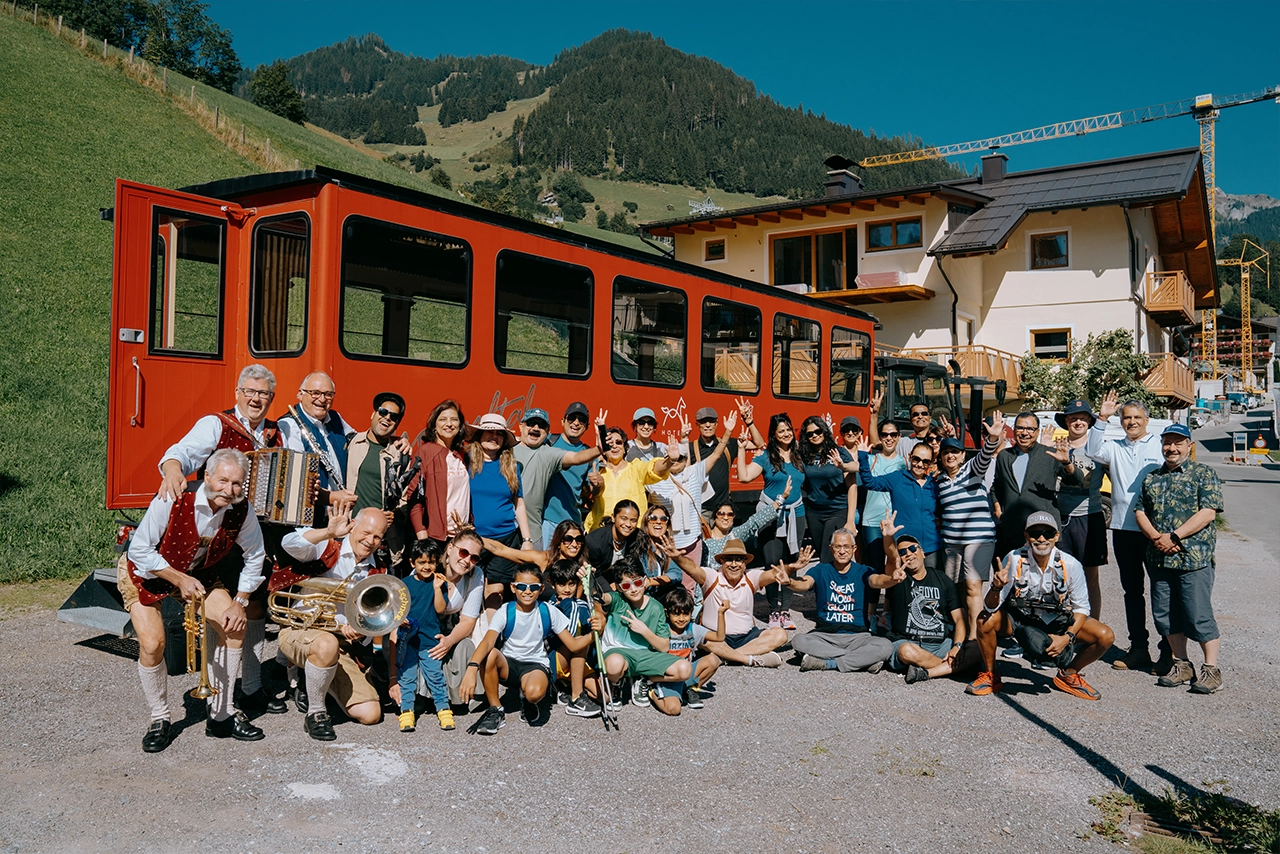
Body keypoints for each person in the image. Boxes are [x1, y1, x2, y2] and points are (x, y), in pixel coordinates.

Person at [154, 364, 285, 716]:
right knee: (223, 612)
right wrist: (172, 468)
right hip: (222, 532)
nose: (256, 399)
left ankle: (251, 687)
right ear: (238, 393)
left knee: (254, 607)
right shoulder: (217, 424)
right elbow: (182, 452)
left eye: (263, 394)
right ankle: (216, 694)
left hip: (260, 531)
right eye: (250, 392)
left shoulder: (276, 432)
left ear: (271, 398)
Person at [121, 449, 266, 752]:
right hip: (146, 571)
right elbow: (139, 550)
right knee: (153, 644)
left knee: (233, 625)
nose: (229, 490)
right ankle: (159, 718)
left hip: (196, 572)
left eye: (236, 483)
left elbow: (255, 555)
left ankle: (221, 715)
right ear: (207, 477)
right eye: (223, 480)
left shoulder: (241, 509)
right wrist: (178, 578)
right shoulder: (174, 498)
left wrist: (240, 601)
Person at [965, 512, 1115, 700]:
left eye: (1048, 533)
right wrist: (996, 587)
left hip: (1057, 622)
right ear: (1026, 536)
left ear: (1057, 537)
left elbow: (1081, 608)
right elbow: (990, 607)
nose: (1042, 539)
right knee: (984, 620)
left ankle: (1069, 674)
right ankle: (991, 674)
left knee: (1105, 635)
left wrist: (1067, 638)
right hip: (1019, 620)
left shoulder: (1071, 564)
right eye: (1035, 533)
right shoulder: (1014, 559)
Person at [278, 507, 392, 740]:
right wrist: (327, 532)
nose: (370, 541)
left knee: (371, 713)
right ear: (353, 526)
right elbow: (288, 543)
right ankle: (316, 712)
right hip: (301, 630)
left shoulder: (378, 568)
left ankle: (318, 678)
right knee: (326, 644)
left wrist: (361, 631)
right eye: (366, 532)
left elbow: (375, 619)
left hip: (342, 644)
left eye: (377, 537)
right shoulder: (328, 546)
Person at [1135, 424, 1224, 694]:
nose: (1171, 448)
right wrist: (1157, 538)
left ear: (1189, 446)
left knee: (1198, 615)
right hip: (1160, 558)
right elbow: (1140, 511)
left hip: (1192, 558)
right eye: (1167, 442)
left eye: (1178, 443)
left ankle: (1211, 670)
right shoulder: (1152, 478)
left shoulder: (1204, 473)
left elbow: (1208, 512)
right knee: (1165, 616)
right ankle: (1182, 665)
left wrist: (1174, 536)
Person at [1086, 393, 1169, 674]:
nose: (1132, 422)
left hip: (1154, 531)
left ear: (1147, 420)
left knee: (1161, 591)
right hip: (1123, 528)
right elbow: (1092, 450)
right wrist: (1102, 417)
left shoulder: (1158, 446)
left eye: (1137, 417)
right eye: (1126, 418)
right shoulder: (1114, 447)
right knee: (1132, 592)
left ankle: (1168, 651)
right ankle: (1138, 648)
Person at [461, 567, 596, 735]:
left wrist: (595, 634)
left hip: (535, 664)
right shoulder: (505, 611)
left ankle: (527, 699)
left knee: (534, 694)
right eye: (521, 586)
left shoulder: (548, 610)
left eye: (533, 587)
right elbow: (488, 641)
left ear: (541, 589)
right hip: (508, 664)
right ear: (513, 587)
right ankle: (495, 709)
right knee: (490, 654)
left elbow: (573, 645)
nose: (527, 591)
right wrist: (471, 669)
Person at [870, 517, 978, 685]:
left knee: (978, 648)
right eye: (902, 552)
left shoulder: (942, 579)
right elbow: (891, 558)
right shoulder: (898, 579)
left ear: (922, 552)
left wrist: (957, 646)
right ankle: (954, 668)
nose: (908, 554)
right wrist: (888, 537)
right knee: (906, 651)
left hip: (941, 644)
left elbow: (959, 618)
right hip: (909, 641)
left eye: (913, 548)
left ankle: (928, 672)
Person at [783, 529, 892, 673]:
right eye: (838, 546)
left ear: (854, 549)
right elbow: (804, 584)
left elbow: (877, 581)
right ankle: (862, 661)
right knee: (799, 641)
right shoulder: (821, 570)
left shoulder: (863, 571)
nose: (842, 551)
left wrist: (892, 579)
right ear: (831, 548)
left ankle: (828, 663)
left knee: (885, 646)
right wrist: (789, 581)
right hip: (825, 636)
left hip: (858, 637)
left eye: (846, 546)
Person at [936, 413, 1005, 637]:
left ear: (963, 455)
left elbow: (985, 455)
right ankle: (962, 631)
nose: (950, 455)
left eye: (955, 452)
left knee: (973, 587)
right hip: (952, 542)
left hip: (979, 539)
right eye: (946, 452)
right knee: (955, 588)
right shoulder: (939, 480)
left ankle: (976, 638)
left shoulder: (972, 470)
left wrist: (992, 439)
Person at [592, 559, 693, 710]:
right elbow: (602, 597)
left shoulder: (657, 607)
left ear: (645, 580)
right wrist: (590, 580)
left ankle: (644, 680)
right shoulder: (618, 600)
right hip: (618, 653)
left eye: (637, 582)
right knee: (614, 664)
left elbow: (664, 647)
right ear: (619, 588)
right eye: (626, 586)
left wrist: (644, 631)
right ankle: (616, 684)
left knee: (685, 669)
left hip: (646, 656)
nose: (633, 589)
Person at [737, 413, 807, 629]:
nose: (786, 434)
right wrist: (741, 449)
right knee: (773, 563)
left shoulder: (799, 455)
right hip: (771, 515)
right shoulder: (766, 457)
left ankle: (785, 610)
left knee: (791, 563)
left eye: (788, 429)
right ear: (774, 435)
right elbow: (744, 477)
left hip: (796, 515)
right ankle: (773, 611)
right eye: (781, 431)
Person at [679, 539, 793, 667]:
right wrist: (677, 557)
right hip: (716, 637)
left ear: (745, 563)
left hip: (747, 637)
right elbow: (692, 568)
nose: (734, 564)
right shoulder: (712, 577)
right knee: (700, 638)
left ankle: (725, 657)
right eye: (729, 559)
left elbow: (774, 573)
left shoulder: (751, 577)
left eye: (739, 560)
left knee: (780, 635)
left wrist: (794, 567)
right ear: (722, 561)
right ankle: (747, 659)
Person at [467, 413, 535, 609]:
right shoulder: (465, 462)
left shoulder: (511, 466)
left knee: (495, 590)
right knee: (471, 589)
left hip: (505, 538)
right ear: (479, 435)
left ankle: (491, 627)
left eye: (499, 433)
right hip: (474, 538)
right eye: (489, 432)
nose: (494, 436)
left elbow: (518, 503)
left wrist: (527, 540)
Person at [651, 415, 735, 571]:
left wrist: (727, 432)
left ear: (685, 460)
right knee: (670, 580)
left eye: (680, 458)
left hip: (693, 543)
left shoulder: (694, 473)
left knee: (692, 581)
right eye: (671, 459)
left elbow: (716, 455)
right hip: (667, 544)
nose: (676, 461)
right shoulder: (656, 480)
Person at [512, 407, 603, 550]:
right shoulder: (506, 450)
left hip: (541, 528)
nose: (535, 428)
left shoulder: (548, 453)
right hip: (509, 527)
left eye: (541, 425)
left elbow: (576, 458)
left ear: (547, 431)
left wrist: (599, 449)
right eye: (531, 423)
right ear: (521, 426)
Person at [991, 411, 1079, 558]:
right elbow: (996, 487)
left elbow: (1076, 480)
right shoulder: (1004, 456)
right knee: (1011, 569)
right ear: (1014, 430)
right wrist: (999, 511)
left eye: (1030, 429)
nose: (1024, 433)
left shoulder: (1050, 454)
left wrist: (1066, 463)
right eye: (1020, 428)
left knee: (1042, 571)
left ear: (1037, 432)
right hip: (1011, 528)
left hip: (1042, 530)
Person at [388, 540, 454, 733]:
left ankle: (443, 710)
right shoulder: (405, 584)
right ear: (412, 562)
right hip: (407, 640)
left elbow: (440, 609)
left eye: (431, 562)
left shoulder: (439, 582)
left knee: (435, 677)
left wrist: (437, 588)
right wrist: (400, 619)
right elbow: (396, 610)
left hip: (429, 640)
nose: (427, 566)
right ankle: (406, 711)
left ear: (437, 562)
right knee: (407, 678)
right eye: (422, 562)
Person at [1051, 400, 1108, 620]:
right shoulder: (1056, 447)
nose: (1078, 422)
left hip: (1089, 516)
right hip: (1061, 518)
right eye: (1073, 418)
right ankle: (1064, 623)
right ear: (1066, 421)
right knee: (1061, 575)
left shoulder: (1099, 449)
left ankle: (1093, 624)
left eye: (1083, 418)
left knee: (1090, 576)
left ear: (1089, 422)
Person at [346, 392, 412, 574]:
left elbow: (405, 498)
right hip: (348, 532)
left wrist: (394, 513)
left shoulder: (401, 454)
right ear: (373, 414)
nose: (387, 418)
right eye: (383, 412)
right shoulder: (352, 442)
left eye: (394, 416)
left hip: (380, 541)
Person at [857, 435, 942, 569]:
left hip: (930, 545)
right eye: (916, 459)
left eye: (925, 461)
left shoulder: (933, 485)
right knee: (902, 580)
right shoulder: (898, 478)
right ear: (910, 457)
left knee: (930, 580)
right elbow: (870, 483)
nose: (920, 464)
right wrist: (862, 457)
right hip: (905, 545)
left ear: (930, 463)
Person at [278, 371, 358, 512]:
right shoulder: (289, 425)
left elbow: (358, 442)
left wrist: (393, 443)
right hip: (309, 514)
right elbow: (296, 480)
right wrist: (332, 497)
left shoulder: (335, 417)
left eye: (328, 394)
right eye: (315, 393)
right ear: (300, 394)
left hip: (338, 513)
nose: (322, 399)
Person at [425, 528, 488, 707]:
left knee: (466, 645)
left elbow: (468, 620)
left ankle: (466, 694)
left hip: (451, 628)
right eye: (463, 552)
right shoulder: (429, 566)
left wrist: (449, 641)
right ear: (450, 547)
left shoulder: (475, 575)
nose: (467, 560)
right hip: (425, 626)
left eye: (474, 558)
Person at [651, 587, 729, 714]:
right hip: (667, 677)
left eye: (685, 614)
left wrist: (721, 613)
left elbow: (719, 637)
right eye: (676, 614)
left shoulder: (693, 629)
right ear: (667, 613)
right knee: (674, 710)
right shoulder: (661, 629)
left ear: (691, 612)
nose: (681, 619)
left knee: (713, 660)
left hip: (685, 674)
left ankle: (690, 688)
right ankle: (651, 691)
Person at [584, 426, 677, 531]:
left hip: (632, 532)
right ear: (604, 450)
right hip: (602, 531)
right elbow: (588, 492)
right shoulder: (597, 470)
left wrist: (670, 461)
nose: (614, 446)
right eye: (610, 444)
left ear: (624, 448)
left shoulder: (635, 468)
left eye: (618, 442)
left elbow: (654, 469)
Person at [408, 399, 471, 546]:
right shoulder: (425, 452)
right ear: (434, 425)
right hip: (435, 537)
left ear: (460, 426)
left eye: (454, 419)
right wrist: (421, 532)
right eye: (443, 419)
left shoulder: (462, 454)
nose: (449, 424)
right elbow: (413, 493)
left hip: (461, 535)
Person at [797, 415, 858, 565]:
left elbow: (854, 475)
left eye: (818, 431)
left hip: (837, 511)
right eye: (810, 434)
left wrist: (850, 521)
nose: (815, 435)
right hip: (814, 512)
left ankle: (829, 580)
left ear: (824, 431)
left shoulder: (838, 452)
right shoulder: (803, 456)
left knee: (828, 555)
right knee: (822, 553)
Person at [546, 559, 603, 718]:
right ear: (553, 584)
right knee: (580, 643)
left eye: (571, 584)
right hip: (557, 660)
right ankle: (576, 698)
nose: (566, 589)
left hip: (576, 663)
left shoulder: (583, 605)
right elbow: (570, 640)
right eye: (561, 584)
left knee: (603, 696)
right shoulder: (550, 606)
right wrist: (567, 603)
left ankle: (566, 687)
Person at [542, 402, 601, 544]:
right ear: (563, 421)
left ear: (586, 426)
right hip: (544, 520)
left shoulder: (590, 455)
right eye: (572, 418)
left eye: (582, 420)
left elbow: (594, 491)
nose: (576, 422)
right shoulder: (547, 442)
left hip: (571, 522)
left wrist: (597, 484)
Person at [702, 485, 786, 565]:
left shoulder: (736, 534)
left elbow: (755, 521)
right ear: (714, 517)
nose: (726, 517)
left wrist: (780, 500)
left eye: (730, 514)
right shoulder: (703, 536)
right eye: (721, 514)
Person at [688, 406, 739, 521]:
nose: (707, 425)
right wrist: (684, 438)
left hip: (723, 510)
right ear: (697, 425)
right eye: (703, 422)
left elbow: (758, 443)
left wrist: (748, 421)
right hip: (701, 509)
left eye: (711, 421)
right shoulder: (691, 448)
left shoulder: (729, 444)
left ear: (716, 424)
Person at [585, 499, 642, 582]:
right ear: (613, 517)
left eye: (633, 520)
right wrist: (611, 588)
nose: (628, 524)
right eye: (624, 518)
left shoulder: (638, 538)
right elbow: (595, 575)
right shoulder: (595, 542)